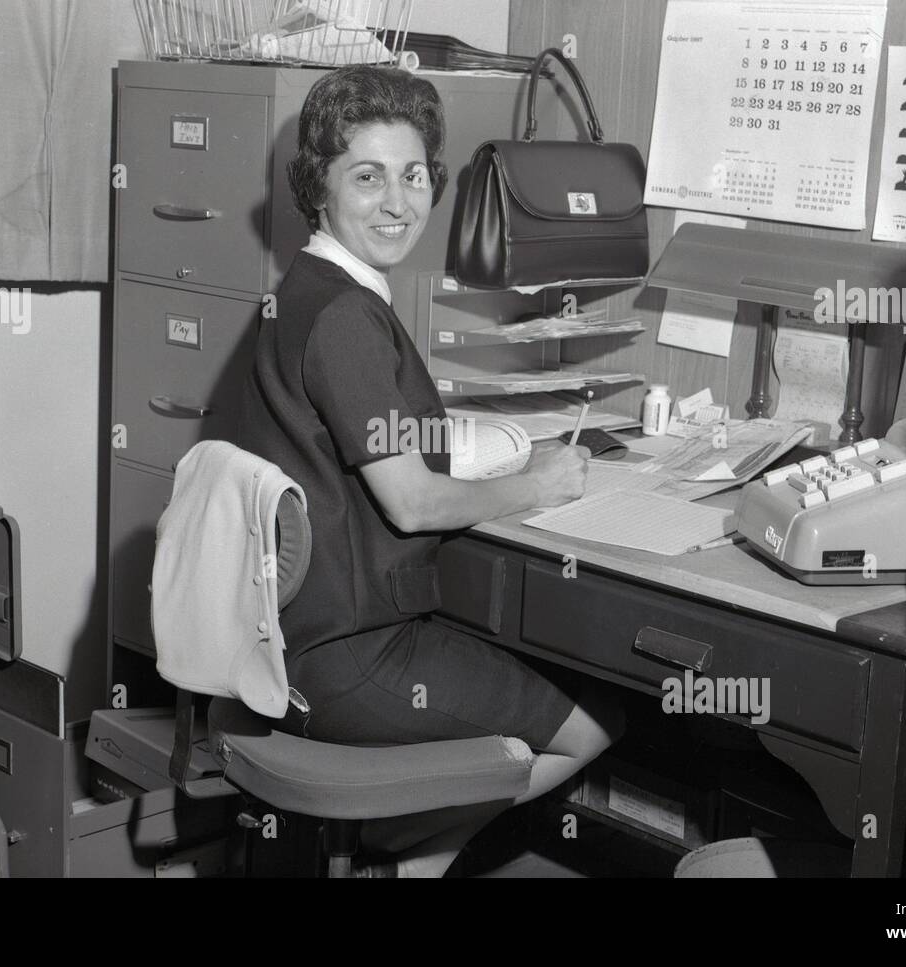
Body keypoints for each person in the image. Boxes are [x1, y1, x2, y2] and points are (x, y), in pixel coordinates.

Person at [237, 65, 623, 877]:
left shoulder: (307, 291)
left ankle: (410, 859)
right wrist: (540, 482)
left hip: (295, 639)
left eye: (413, 176)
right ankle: (418, 857)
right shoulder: (346, 316)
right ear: (319, 186)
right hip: (349, 656)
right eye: (367, 176)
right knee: (594, 724)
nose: (398, 202)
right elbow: (410, 503)